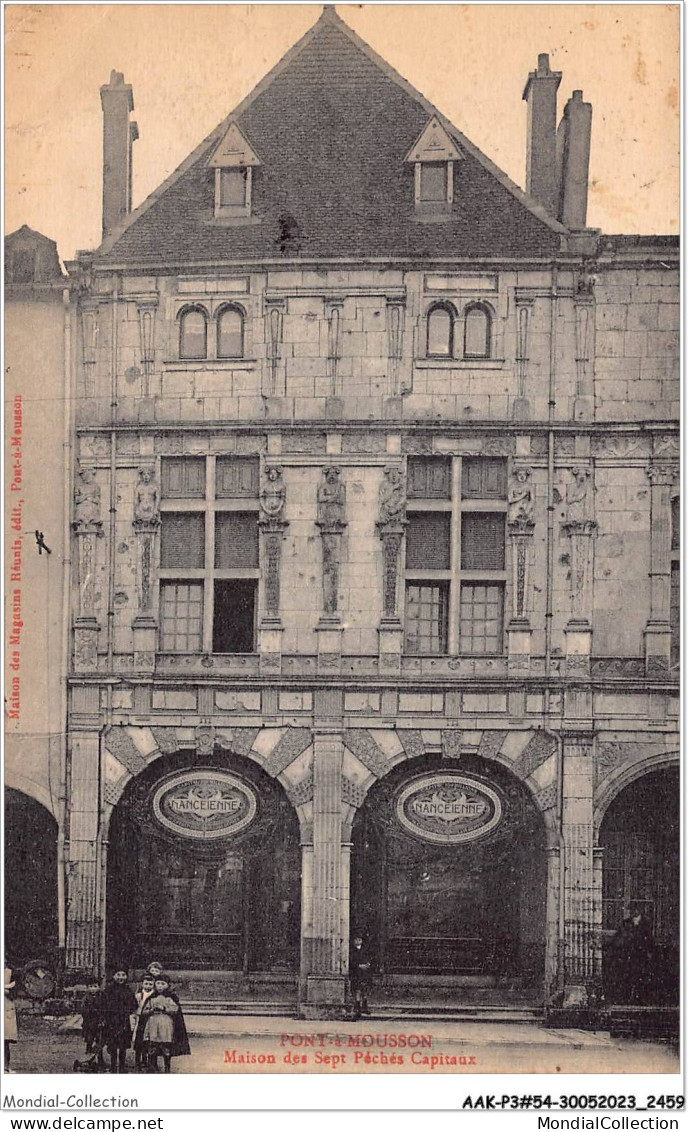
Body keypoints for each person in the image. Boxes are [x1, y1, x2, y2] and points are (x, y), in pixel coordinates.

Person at [141, 977, 180, 1073]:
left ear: (167, 985)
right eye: (158, 983)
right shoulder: (151, 998)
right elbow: (144, 1011)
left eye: (163, 984)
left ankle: (167, 1067)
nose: (160, 986)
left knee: (165, 1045)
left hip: (165, 1023)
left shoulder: (169, 998)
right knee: (152, 1045)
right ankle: (152, 1066)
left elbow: (175, 1010)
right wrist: (151, 1010)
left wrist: (164, 1008)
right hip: (153, 1022)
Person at [100, 969, 137, 1073]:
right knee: (113, 1045)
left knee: (123, 1046)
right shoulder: (108, 990)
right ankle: (113, 1066)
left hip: (124, 1021)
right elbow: (103, 1005)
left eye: (123, 975)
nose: (121, 977)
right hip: (111, 1021)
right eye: (118, 974)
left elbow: (134, 1005)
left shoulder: (128, 990)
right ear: (114, 976)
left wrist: (127, 1010)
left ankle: (121, 1067)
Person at [131, 974, 156, 1072]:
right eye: (146, 984)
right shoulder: (138, 995)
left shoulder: (154, 995)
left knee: (148, 1041)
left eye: (150, 984)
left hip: (150, 1020)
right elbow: (134, 1007)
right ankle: (137, 1062)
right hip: (140, 1019)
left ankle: (146, 1061)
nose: (148, 986)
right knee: (139, 1041)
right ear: (142, 984)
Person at [349, 936, 372, 1020]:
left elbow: (369, 958)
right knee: (357, 990)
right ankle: (358, 1008)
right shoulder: (352, 951)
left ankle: (365, 1007)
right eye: (356, 939)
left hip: (365, 973)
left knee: (365, 990)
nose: (357, 941)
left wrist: (367, 964)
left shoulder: (365, 950)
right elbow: (351, 961)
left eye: (359, 940)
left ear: (361, 941)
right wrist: (359, 966)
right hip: (356, 973)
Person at [4, 967, 18, 1072]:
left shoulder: (10, 972)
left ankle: (6, 1066)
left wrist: (6, 990)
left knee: (5, 1040)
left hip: (6, 1008)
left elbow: (14, 992)